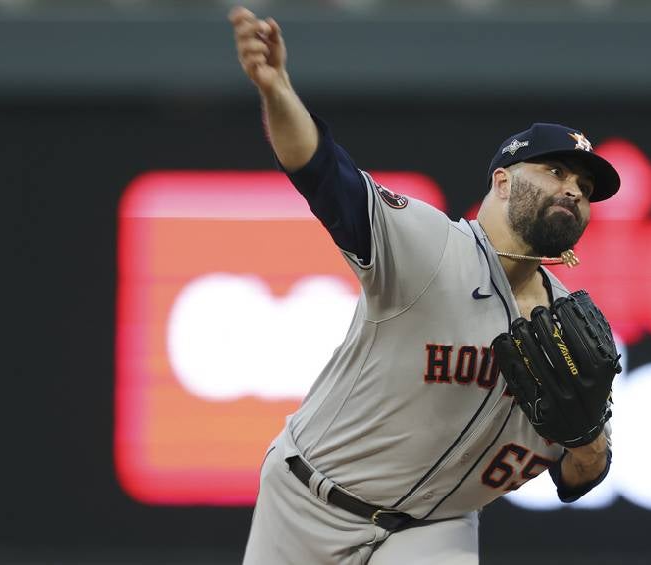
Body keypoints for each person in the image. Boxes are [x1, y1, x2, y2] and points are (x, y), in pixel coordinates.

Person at [229, 7, 622, 564]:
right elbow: (321, 171)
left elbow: (580, 477)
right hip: (308, 500)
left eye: (585, 185)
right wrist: (277, 91)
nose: (575, 190)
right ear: (502, 182)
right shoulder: (428, 246)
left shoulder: (568, 330)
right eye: (555, 171)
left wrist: (587, 437)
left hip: (434, 528)